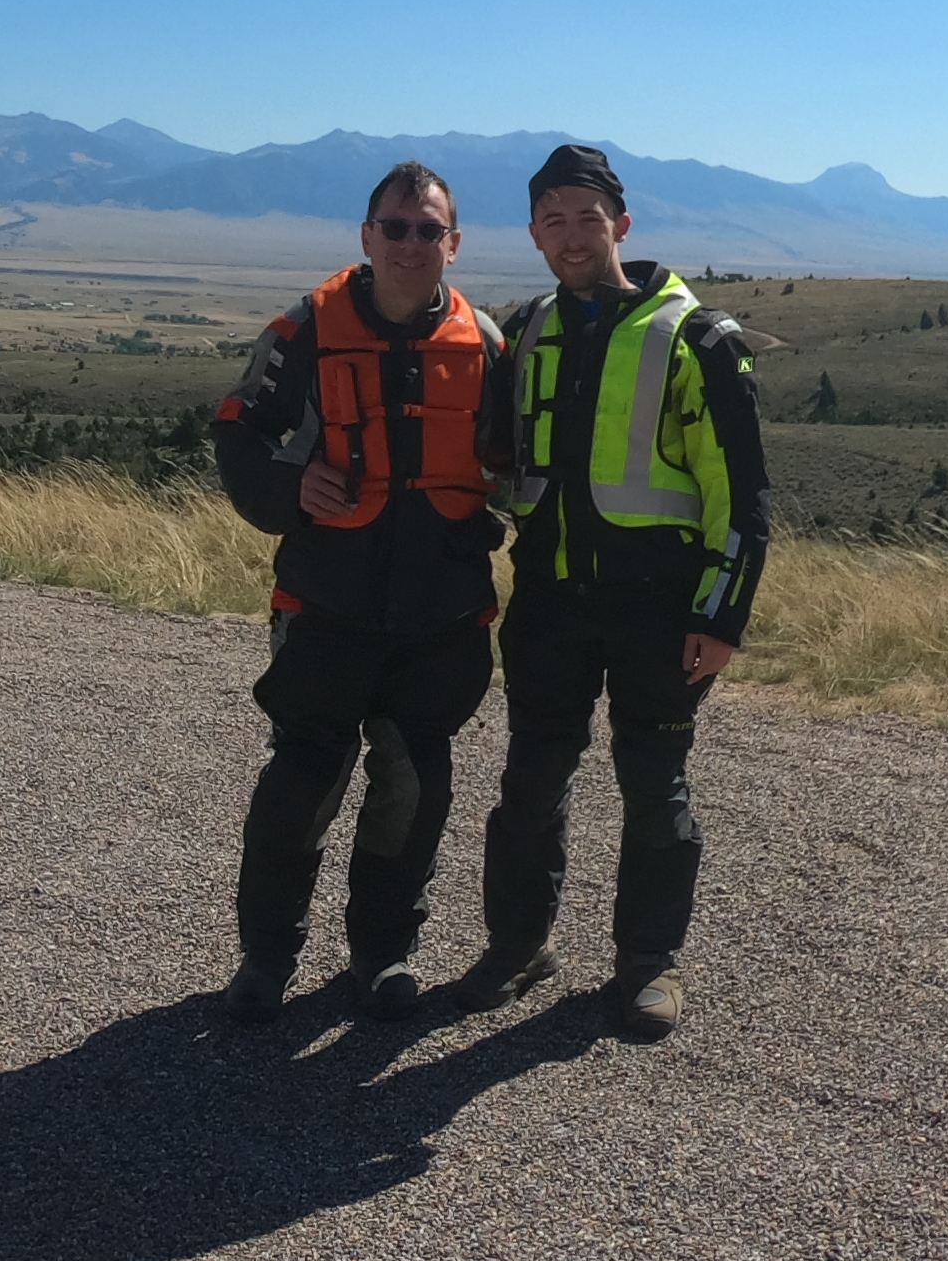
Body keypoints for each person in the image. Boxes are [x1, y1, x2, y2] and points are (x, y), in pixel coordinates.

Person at [457, 144, 771, 1041]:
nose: (569, 236)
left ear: (621, 226)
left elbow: (741, 495)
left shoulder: (696, 337)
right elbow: (494, 460)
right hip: (549, 600)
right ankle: (518, 948)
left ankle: (647, 968)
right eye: (551, 221)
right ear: (533, 234)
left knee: (655, 785)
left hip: (659, 609)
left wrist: (723, 617)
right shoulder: (526, 330)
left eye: (586, 218)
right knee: (529, 782)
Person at [209, 161, 511, 1021]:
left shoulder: (486, 344)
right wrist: (288, 488)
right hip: (326, 606)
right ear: (367, 236)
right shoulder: (305, 329)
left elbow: (516, 464)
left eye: (429, 229)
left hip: (441, 616)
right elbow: (240, 433)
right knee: (302, 781)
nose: (412, 243)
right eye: (396, 226)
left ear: (453, 243)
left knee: (414, 788)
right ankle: (266, 959)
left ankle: (382, 957)